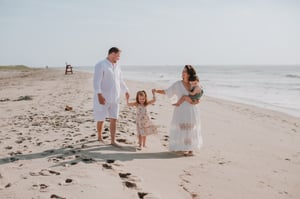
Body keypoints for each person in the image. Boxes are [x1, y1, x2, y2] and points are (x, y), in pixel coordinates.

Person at [153, 65, 202, 156]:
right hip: (181, 110)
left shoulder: (194, 84)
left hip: (192, 109)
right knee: (181, 128)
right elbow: (167, 91)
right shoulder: (178, 84)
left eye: (185, 71)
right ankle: (182, 147)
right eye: (183, 71)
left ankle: (191, 148)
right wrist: (156, 91)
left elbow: (199, 96)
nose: (183, 73)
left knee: (191, 128)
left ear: (189, 74)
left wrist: (196, 101)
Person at [93, 47, 129, 146]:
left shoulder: (118, 66)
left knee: (114, 118)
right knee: (101, 118)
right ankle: (99, 137)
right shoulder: (101, 65)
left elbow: (120, 80)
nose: (119, 58)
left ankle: (113, 140)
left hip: (115, 98)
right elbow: (96, 82)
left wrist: (126, 90)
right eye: (118, 56)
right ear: (112, 54)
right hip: (103, 97)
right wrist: (99, 95)